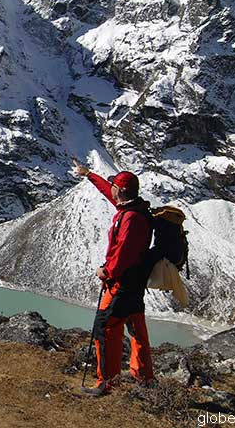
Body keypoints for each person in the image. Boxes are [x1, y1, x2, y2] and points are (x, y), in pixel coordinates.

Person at [73, 159, 155, 396]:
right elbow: (108, 191)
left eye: (115, 187)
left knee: (104, 327)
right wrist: (89, 174)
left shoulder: (130, 218)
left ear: (121, 191)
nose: (112, 190)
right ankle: (145, 378)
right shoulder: (136, 209)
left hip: (121, 284)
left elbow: (123, 253)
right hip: (136, 283)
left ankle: (106, 382)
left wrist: (106, 272)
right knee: (136, 327)